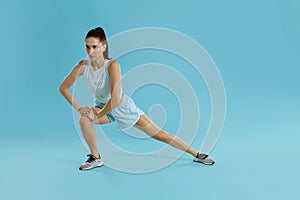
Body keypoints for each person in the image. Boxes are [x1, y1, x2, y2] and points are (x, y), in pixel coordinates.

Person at [59, 27, 215, 170]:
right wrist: (80, 108)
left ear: (103, 46)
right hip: (101, 106)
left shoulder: (113, 66)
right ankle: (95, 157)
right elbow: (63, 88)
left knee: (160, 135)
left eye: (95, 46)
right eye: (87, 46)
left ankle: (196, 154)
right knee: (84, 119)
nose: (90, 51)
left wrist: (97, 115)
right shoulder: (82, 66)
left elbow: (115, 100)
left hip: (122, 107)